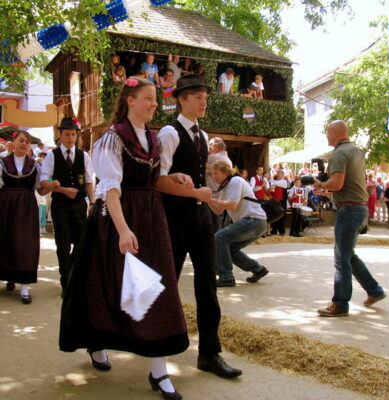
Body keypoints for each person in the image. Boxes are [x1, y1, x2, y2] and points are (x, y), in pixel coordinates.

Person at [59, 77, 189, 400]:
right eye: (148, 98)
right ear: (130, 100)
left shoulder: (158, 139)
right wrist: (122, 229)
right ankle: (97, 343)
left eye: (155, 100)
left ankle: (159, 372)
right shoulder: (113, 139)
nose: (154, 104)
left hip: (152, 220)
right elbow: (110, 189)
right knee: (107, 287)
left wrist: (175, 178)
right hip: (118, 221)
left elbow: (154, 179)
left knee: (156, 291)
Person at [156, 74, 242, 379]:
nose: (204, 102)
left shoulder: (204, 137)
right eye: (197, 97)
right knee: (166, 285)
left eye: (206, 97)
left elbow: (202, 182)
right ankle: (155, 350)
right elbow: (159, 180)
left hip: (201, 218)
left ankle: (209, 353)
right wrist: (194, 194)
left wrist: (212, 201)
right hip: (175, 219)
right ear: (181, 99)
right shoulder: (169, 133)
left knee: (207, 286)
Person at [313, 120, 386, 317]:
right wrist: (326, 189)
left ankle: (340, 304)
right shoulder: (357, 151)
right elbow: (348, 184)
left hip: (349, 211)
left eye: (328, 133)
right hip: (359, 209)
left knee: (341, 259)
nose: (327, 136)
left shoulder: (338, 153)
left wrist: (320, 184)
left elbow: (336, 184)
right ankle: (375, 291)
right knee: (348, 255)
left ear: (336, 133)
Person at [40, 117, 95, 296]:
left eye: (73, 134)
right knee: (62, 245)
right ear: (60, 135)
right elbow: (43, 181)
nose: (70, 138)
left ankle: (72, 274)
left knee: (81, 244)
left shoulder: (83, 155)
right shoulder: (52, 155)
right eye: (67, 134)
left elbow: (88, 181)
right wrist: (61, 189)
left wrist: (92, 202)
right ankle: (66, 281)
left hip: (79, 205)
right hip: (60, 206)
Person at [0, 131, 57, 303]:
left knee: (25, 243)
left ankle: (24, 286)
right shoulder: (2, 163)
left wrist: (51, 186)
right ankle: (9, 277)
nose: (24, 144)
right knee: (6, 239)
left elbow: (39, 188)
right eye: (21, 141)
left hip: (26, 208)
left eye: (27, 142)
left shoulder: (34, 165)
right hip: (6, 206)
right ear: (14, 143)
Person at [208, 161, 269, 287]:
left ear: (225, 172)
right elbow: (218, 211)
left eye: (216, 173)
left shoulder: (235, 181)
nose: (214, 177)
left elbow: (232, 204)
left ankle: (226, 277)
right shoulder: (225, 188)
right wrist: (207, 199)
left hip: (253, 221)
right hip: (256, 223)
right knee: (230, 248)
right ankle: (258, 269)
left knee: (219, 237)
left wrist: (211, 199)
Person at [206, 137, 232, 232]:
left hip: (213, 198)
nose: (208, 150)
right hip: (221, 197)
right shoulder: (227, 159)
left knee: (214, 230)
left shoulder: (214, 158)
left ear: (216, 146)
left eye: (209, 147)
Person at [270, 169, 288, 236]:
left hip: (281, 201)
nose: (278, 174)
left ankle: (281, 231)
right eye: (277, 173)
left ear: (283, 175)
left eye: (280, 173)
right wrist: (273, 183)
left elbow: (275, 184)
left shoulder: (284, 181)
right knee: (274, 215)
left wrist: (273, 183)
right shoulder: (273, 181)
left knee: (281, 216)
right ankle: (274, 231)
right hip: (274, 201)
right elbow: (271, 184)